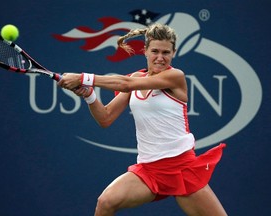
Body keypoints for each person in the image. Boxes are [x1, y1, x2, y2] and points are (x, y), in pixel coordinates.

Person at [58, 23, 227, 216]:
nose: (160, 57)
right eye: (155, 51)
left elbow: (125, 83)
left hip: (181, 167)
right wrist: (90, 96)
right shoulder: (136, 78)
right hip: (149, 170)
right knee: (105, 202)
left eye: (166, 52)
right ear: (145, 51)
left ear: (174, 53)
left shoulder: (175, 76)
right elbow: (105, 118)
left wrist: (82, 78)